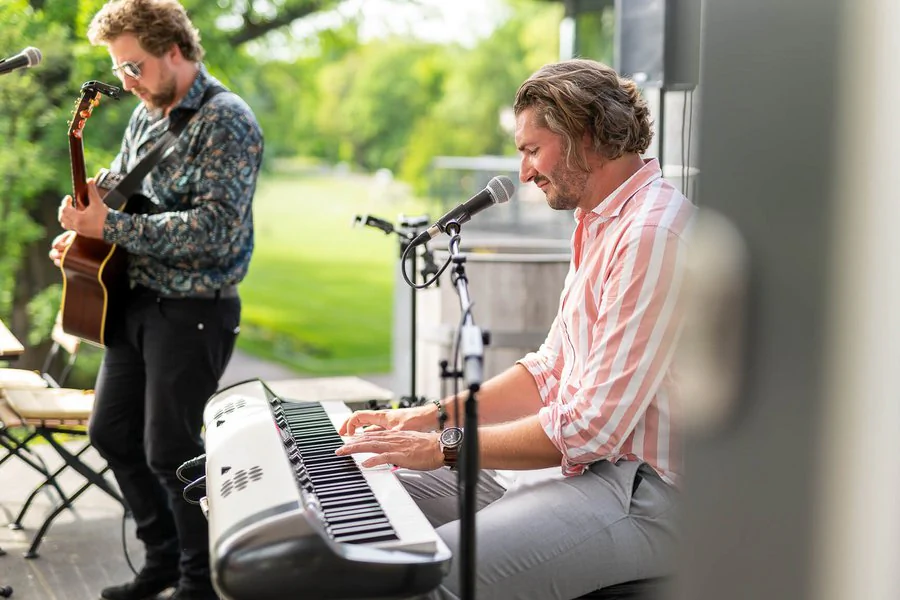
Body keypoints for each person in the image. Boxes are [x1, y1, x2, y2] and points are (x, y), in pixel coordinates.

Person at [337, 58, 695, 599]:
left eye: (532, 150)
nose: (524, 172)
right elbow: (549, 370)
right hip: (589, 468)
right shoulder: (600, 220)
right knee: (369, 497)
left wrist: (441, 444)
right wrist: (425, 417)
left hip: (644, 494)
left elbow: (591, 428)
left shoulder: (652, 234)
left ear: (585, 136)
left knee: (429, 572)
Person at [50, 1, 263, 598]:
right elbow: (120, 197)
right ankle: (164, 559)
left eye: (134, 66)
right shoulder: (146, 115)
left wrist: (110, 227)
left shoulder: (227, 120)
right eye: (119, 69)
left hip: (196, 308)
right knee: (112, 431)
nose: (126, 82)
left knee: (171, 449)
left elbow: (215, 230)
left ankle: (202, 581)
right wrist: (85, 233)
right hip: (137, 301)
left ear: (174, 50)